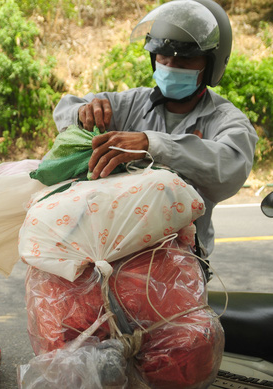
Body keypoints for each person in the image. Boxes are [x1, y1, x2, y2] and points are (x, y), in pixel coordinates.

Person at [53, 0, 258, 268]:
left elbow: (230, 167)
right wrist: (82, 112)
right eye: (164, 56)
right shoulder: (131, 104)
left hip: (182, 265)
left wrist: (153, 144)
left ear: (212, 64)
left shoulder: (226, 120)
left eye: (184, 59)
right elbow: (65, 110)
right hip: (115, 257)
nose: (171, 65)